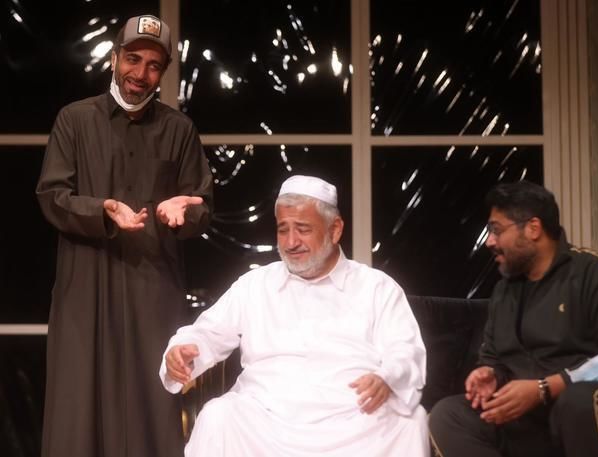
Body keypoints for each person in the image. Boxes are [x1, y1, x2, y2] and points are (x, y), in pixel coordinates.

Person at [36, 15, 213, 457]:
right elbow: (52, 195)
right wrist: (102, 210)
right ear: (115, 58)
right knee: (77, 416)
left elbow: (200, 205)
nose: (141, 73)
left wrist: (184, 214)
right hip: (85, 288)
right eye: (133, 59)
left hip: (151, 291)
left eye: (154, 65)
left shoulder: (179, 130)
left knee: (149, 414)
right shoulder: (75, 120)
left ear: (163, 72)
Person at [160, 175, 429, 456]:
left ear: (335, 229)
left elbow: (404, 349)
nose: (290, 242)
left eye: (303, 229)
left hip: (352, 420)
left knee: (409, 421)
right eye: (283, 229)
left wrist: (387, 377)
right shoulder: (255, 285)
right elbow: (207, 333)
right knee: (219, 416)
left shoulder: (377, 287)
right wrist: (182, 350)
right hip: (265, 421)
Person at [429, 181, 598, 457]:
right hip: (529, 420)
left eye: (496, 230)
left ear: (533, 228)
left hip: (589, 410)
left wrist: (546, 388)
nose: (489, 241)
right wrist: (490, 374)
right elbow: (493, 358)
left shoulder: (595, 271)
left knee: (579, 400)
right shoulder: (504, 291)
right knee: (448, 415)